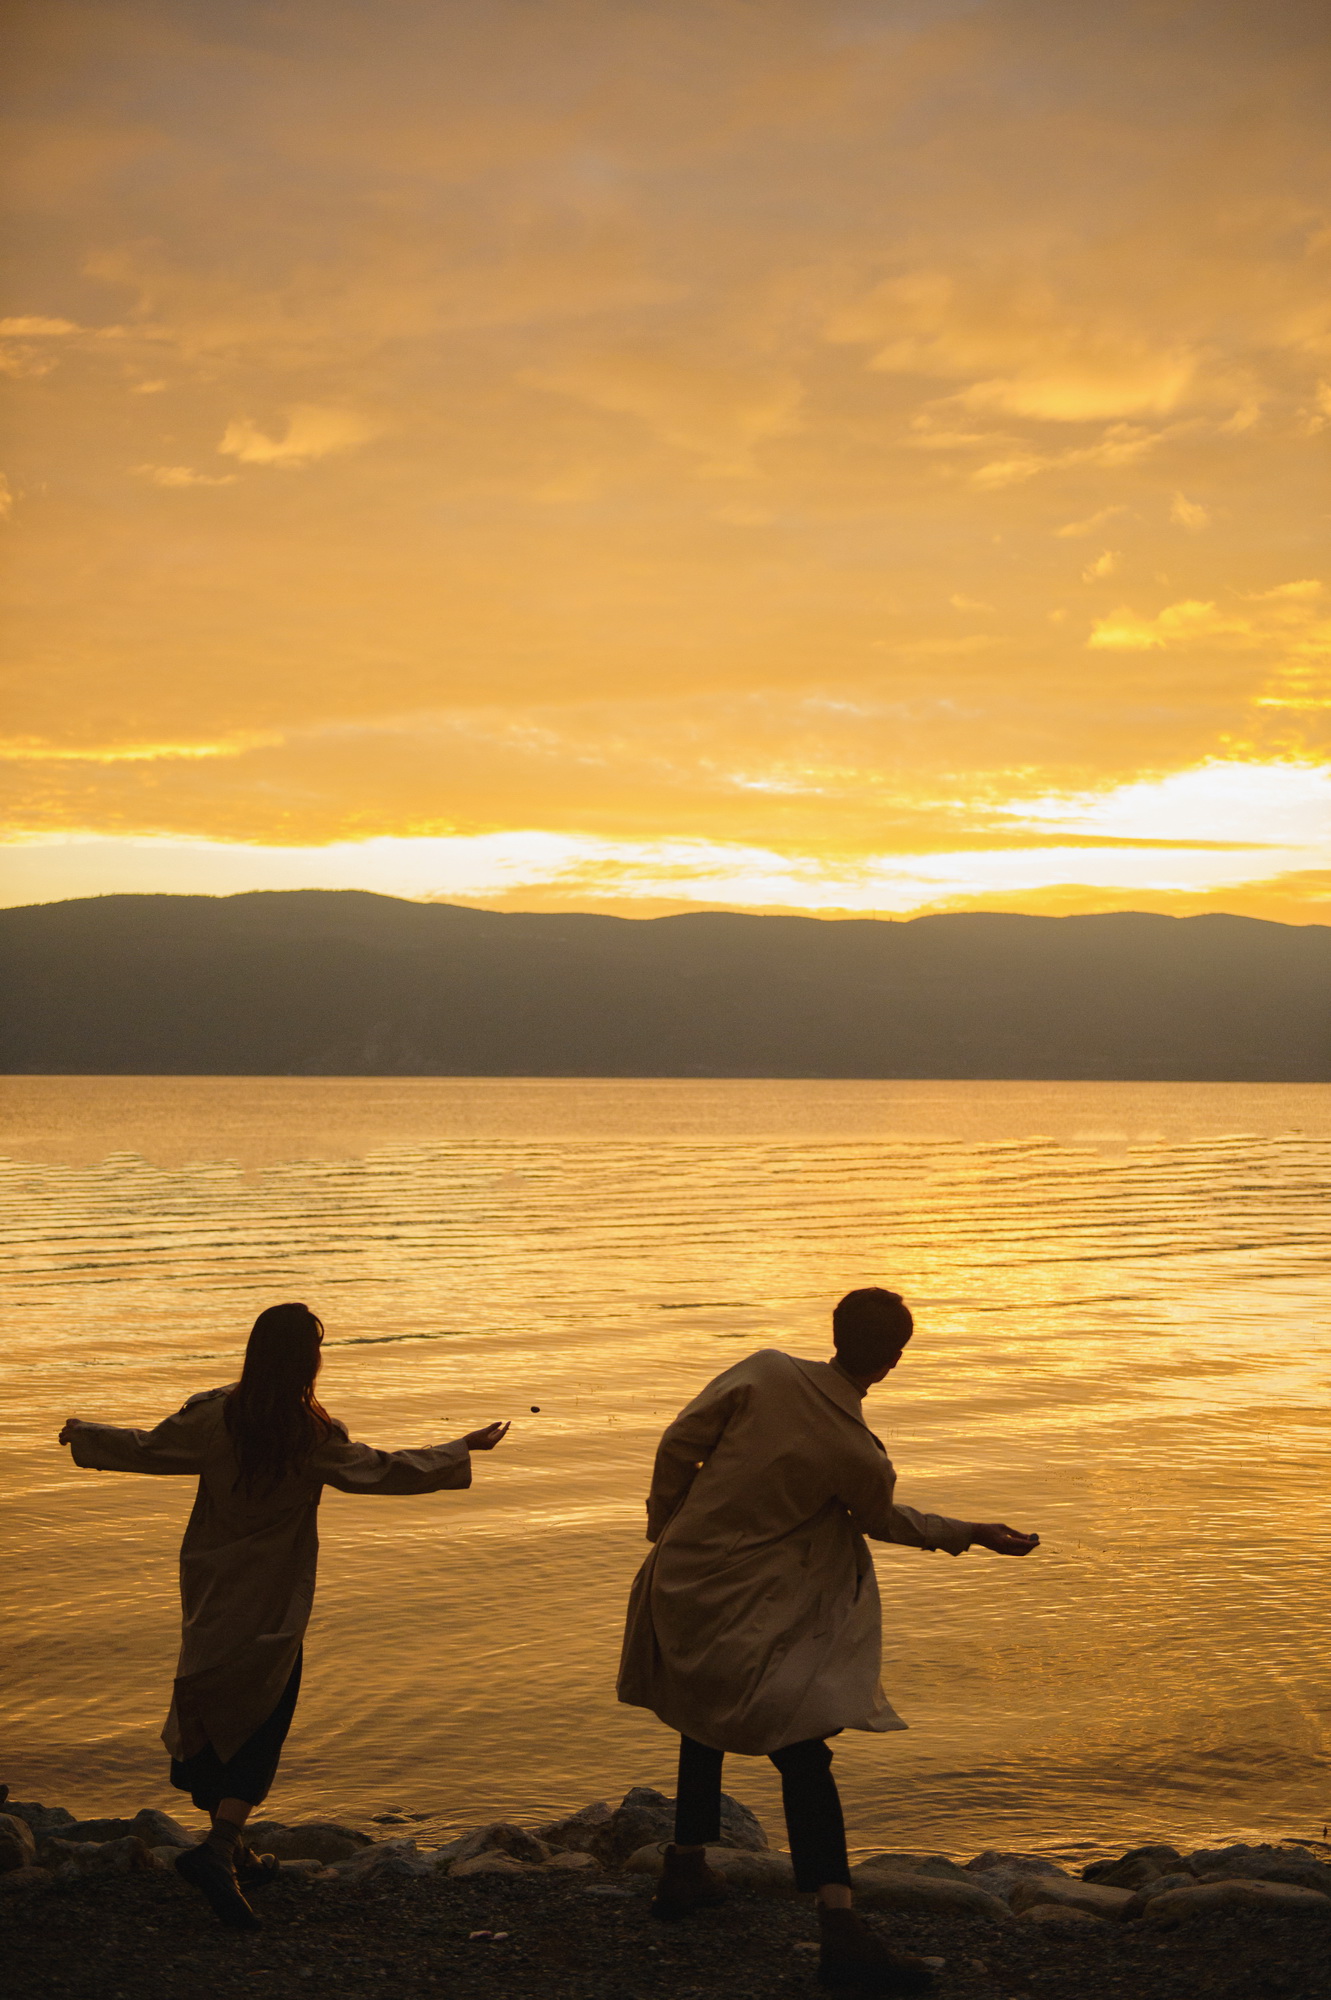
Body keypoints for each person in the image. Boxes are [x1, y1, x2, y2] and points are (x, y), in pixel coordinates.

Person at [617, 1287, 1038, 1997]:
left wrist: (668, 1526)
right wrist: (968, 1532)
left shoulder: (764, 1371)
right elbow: (879, 1522)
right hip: (752, 1604)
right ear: (894, 1359)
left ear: (834, 1331)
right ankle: (839, 1930)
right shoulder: (856, 1451)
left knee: (701, 1710)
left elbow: (677, 1444)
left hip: (683, 1582)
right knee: (803, 1749)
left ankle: (684, 1869)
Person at [59, 1300, 508, 1933]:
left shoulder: (216, 1416)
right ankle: (218, 1852)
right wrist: (460, 1448)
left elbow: (148, 1448)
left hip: (214, 1592)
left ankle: (233, 1849)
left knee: (210, 1700)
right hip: (272, 1600)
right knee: (263, 1714)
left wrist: (84, 1435)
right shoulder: (310, 1434)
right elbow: (383, 1471)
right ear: (306, 1362)